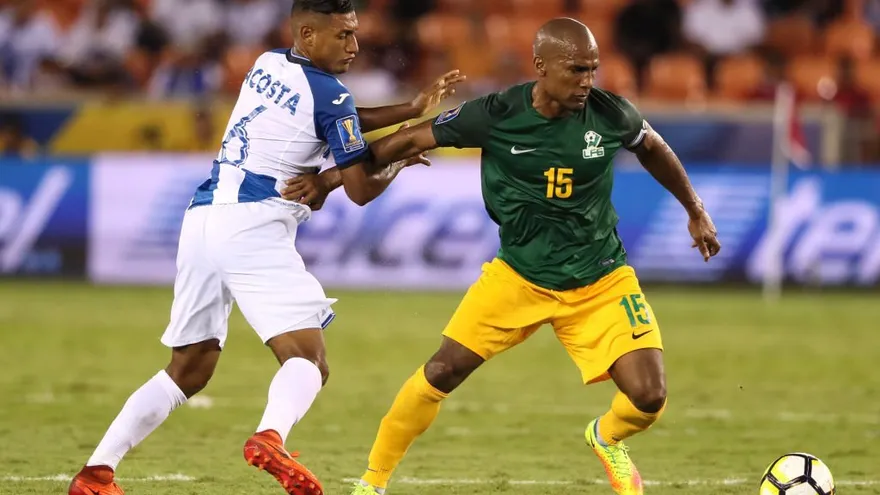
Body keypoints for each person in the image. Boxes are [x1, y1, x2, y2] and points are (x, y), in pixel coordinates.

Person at [287, 17, 721, 495]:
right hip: (518, 278)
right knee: (441, 371)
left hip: (601, 279)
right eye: (576, 70)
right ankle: (371, 483)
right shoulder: (495, 114)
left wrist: (695, 210)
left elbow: (653, 147)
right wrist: (328, 180)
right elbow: (408, 139)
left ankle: (607, 437)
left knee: (649, 398)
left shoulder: (611, 113)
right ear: (540, 66)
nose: (587, 82)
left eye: (593, 70)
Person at [67, 1, 463, 495]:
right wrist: (402, 153)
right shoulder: (331, 95)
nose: (355, 46)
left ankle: (95, 473)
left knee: (188, 367)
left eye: (355, 34)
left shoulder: (267, 63)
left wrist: (407, 110)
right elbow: (360, 188)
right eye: (343, 35)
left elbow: (333, 118)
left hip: (204, 218)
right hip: (254, 226)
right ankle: (271, 437)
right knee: (308, 360)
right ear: (307, 33)